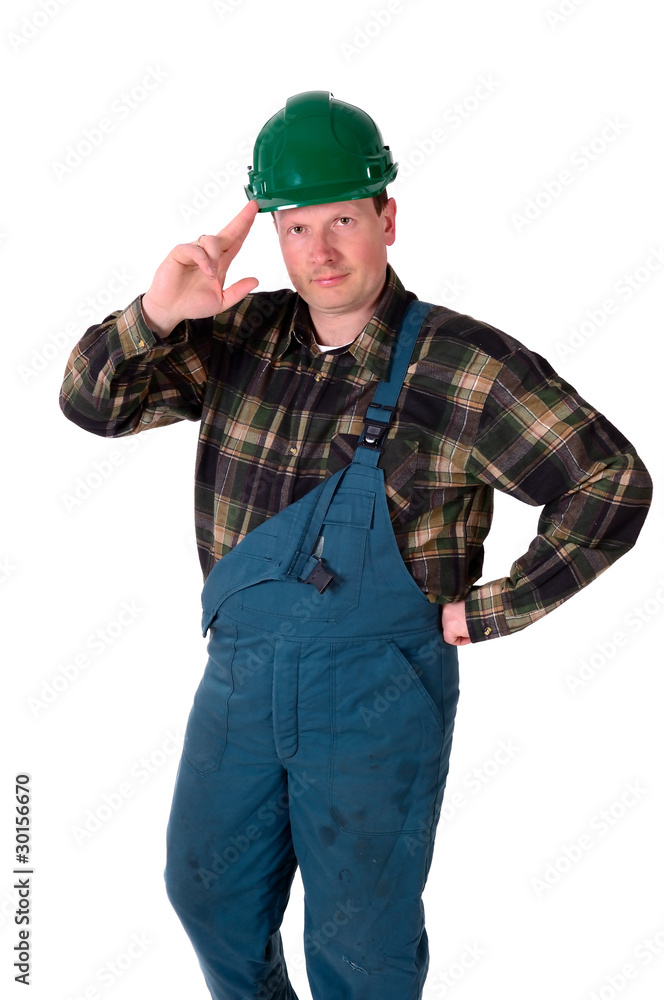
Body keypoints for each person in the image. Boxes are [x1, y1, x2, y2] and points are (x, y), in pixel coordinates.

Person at [59, 91, 652, 1000]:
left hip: (376, 692)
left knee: (361, 948)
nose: (322, 250)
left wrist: (492, 609)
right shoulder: (239, 336)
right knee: (206, 891)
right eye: (297, 227)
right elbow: (91, 405)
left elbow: (610, 480)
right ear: (276, 237)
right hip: (239, 676)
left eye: (343, 220)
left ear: (388, 219)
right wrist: (158, 313)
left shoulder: (463, 365)